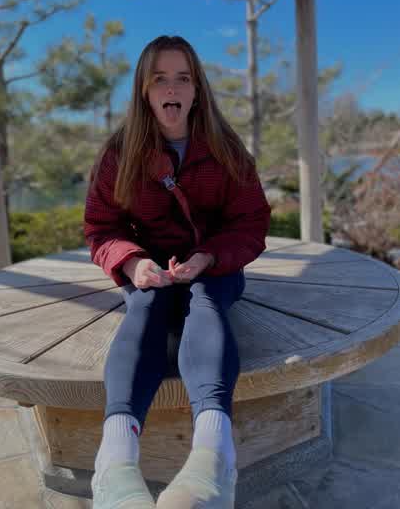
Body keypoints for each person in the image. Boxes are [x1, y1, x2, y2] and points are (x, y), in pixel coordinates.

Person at [84, 35, 271, 508]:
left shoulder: (226, 149)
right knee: (145, 305)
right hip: (150, 272)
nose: (172, 88)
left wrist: (207, 258)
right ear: (144, 91)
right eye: (159, 79)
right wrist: (133, 263)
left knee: (205, 299)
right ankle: (114, 465)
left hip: (215, 266)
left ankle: (214, 455)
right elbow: (101, 228)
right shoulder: (119, 154)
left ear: (196, 90)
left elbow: (251, 222)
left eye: (182, 78)